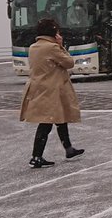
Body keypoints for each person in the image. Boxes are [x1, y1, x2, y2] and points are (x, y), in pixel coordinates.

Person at [19, 18, 85, 168]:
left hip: (39, 88)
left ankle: (68, 148)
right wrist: (61, 45)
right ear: (54, 33)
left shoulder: (34, 47)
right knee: (47, 123)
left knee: (60, 118)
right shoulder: (52, 48)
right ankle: (36, 156)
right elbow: (69, 63)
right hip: (52, 90)